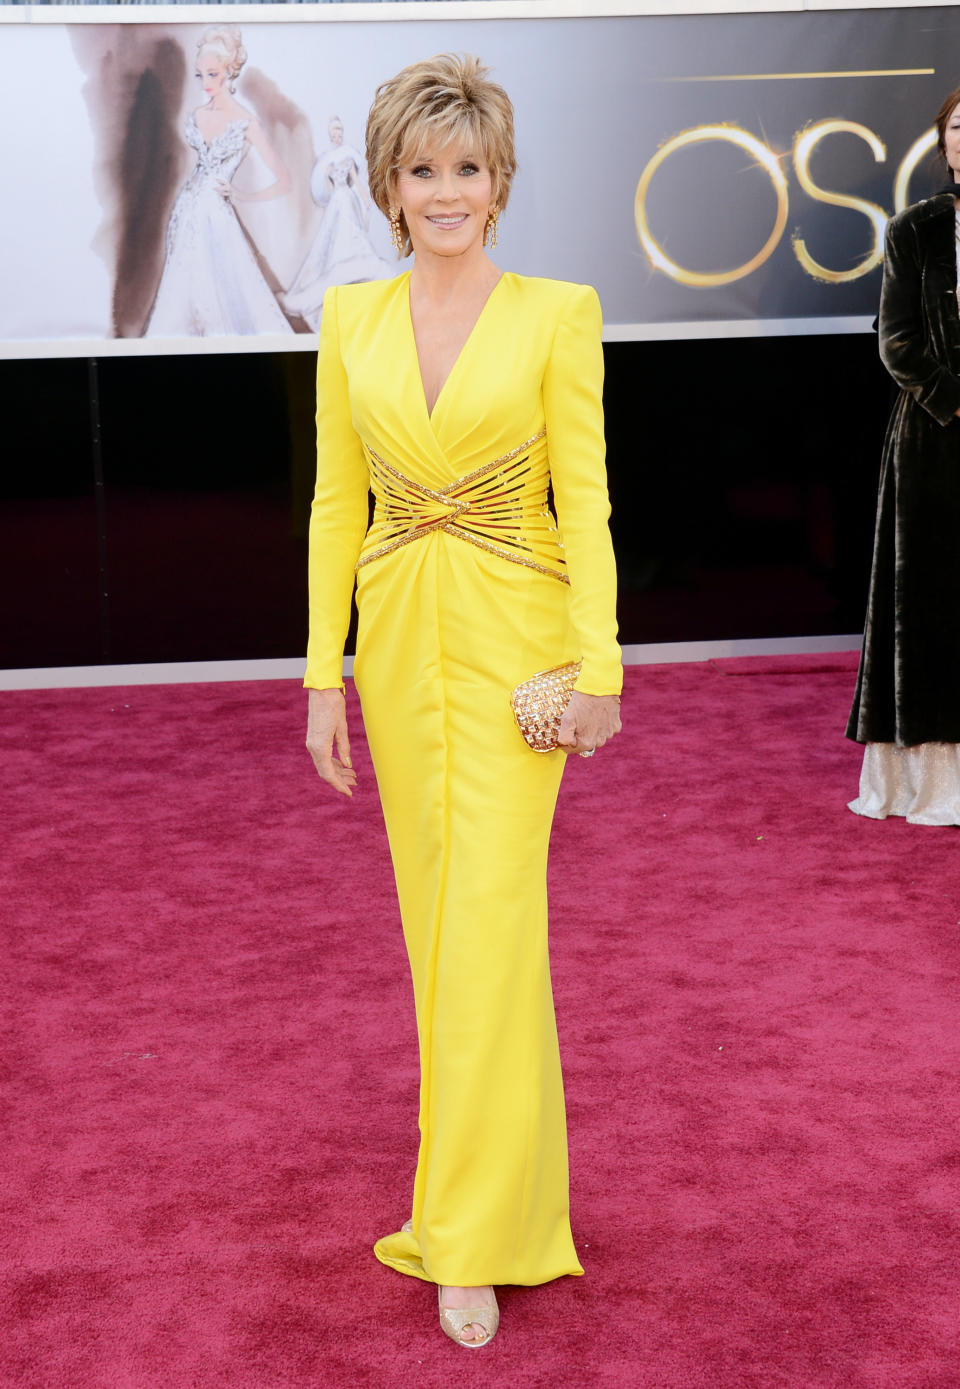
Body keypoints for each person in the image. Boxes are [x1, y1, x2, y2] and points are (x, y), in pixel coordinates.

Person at [304, 54, 622, 1347]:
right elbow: (339, 501)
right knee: (441, 934)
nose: (447, 191)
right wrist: (322, 669)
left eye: (468, 169)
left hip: (517, 656)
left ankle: (473, 1233)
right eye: (423, 170)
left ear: (500, 182)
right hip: (398, 654)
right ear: (389, 184)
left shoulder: (558, 311)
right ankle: (496, 1196)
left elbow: (587, 500)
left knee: (489, 928)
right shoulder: (350, 320)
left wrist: (600, 666)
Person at [847, 82, 960, 825]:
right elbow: (897, 342)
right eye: (959, 126)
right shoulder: (913, 229)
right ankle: (934, 784)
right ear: (944, 141)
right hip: (933, 440)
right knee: (932, 606)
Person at [146, 27, 294, 337]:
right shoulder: (198, 114)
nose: (207, 83)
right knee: (181, 288)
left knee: (223, 291)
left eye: (213, 74)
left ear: (229, 71)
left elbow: (284, 180)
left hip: (216, 215)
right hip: (185, 210)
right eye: (201, 75)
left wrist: (240, 195)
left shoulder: (246, 122)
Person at [280, 116, 392, 331]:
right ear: (331, 135)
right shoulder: (327, 161)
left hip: (348, 199)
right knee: (336, 234)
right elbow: (328, 188)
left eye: (339, 132)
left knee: (352, 232)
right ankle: (340, 270)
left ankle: (355, 268)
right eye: (334, 133)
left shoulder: (348, 155)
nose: (337, 136)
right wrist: (332, 188)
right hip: (337, 201)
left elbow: (356, 181)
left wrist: (365, 199)